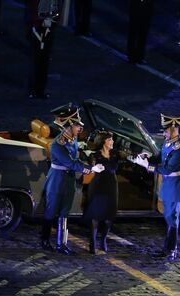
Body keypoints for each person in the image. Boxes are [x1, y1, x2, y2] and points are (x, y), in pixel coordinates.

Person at [40, 104, 105, 254]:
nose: (79, 128)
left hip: (68, 179)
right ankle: (44, 239)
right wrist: (91, 169)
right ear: (68, 127)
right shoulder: (58, 144)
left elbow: (75, 156)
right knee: (51, 211)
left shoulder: (72, 139)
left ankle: (61, 243)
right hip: (57, 180)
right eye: (77, 126)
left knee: (65, 211)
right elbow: (71, 162)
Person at [133, 114, 180, 261]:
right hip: (168, 184)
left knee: (172, 218)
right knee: (168, 216)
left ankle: (171, 249)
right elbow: (160, 158)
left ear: (173, 129)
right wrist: (148, 157)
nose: (163, 133)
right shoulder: (168, 142)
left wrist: (148, 166)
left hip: (175, 186)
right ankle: (168, 248)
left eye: (165, 130)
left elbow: (167, 169)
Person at [83, 131, 125, 254]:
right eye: (109, 140)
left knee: (108, 217)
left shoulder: (115, 154)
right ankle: (92, 242)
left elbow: (128, 156)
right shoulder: (95, 155)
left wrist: (141, 157)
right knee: (95, 216)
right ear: (103, 142)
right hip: (98, 186)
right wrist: (92, 165)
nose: (112, 142)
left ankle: (103, 240)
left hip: (111, 186)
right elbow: (90, 167)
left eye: (112, 140)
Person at [26, 0, 60, 98]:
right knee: (38, 58)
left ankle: (39, 89)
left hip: (46, 22)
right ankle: (35, 89)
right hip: (39, 23)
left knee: (43, 58)